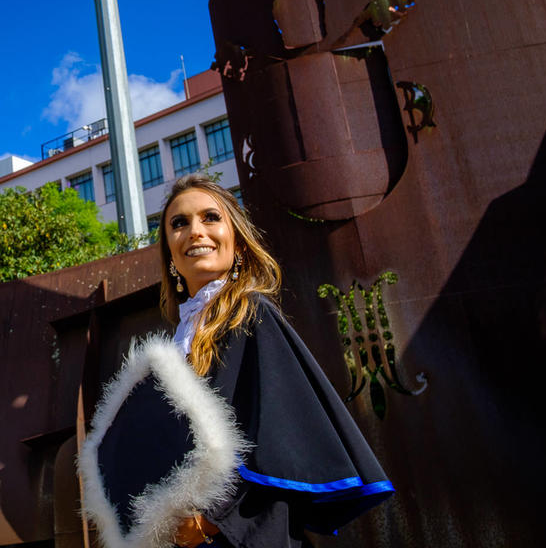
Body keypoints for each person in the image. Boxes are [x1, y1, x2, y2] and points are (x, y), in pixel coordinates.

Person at [101, 174, 392, 548]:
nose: (194, 231)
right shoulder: (172, 346)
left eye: (210, 217)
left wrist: (212, 522)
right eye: (179, 223)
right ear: (170, 255)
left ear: (236, 243)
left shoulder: (250, 314)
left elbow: (280, 446)